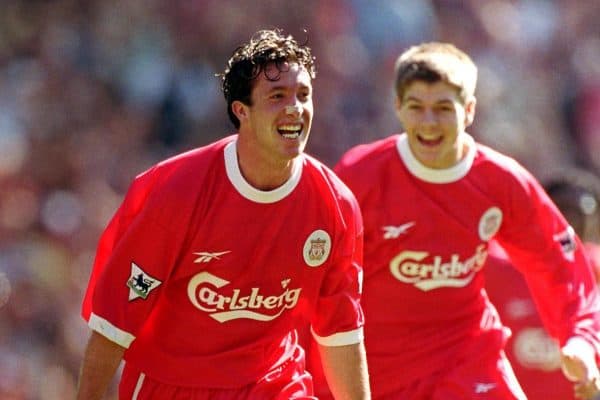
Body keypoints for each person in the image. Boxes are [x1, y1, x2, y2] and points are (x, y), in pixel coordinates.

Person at [76, 28, 370, 400]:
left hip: (272, 382)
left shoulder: (335, 205)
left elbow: (341, 334)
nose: (295, 107)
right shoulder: (178, 193)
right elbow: (114, 324)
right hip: (173, 385)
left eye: (304, 95)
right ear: (241, 111)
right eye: (277, 96)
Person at [328, 42, 600, 399]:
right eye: (416, 108)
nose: (428, 122)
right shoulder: (361, 176)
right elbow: (322, 282)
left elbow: (557, 260)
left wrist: (579, 339)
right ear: (398, 107)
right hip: (381, 367)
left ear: (469, 110)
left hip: (467, 356)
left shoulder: (500, 180)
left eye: (443, 108)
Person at [485, 170, 600, 400]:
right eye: (565, 210)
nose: (575, 221)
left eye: (586, 212)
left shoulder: (595, 269)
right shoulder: (493, 267)